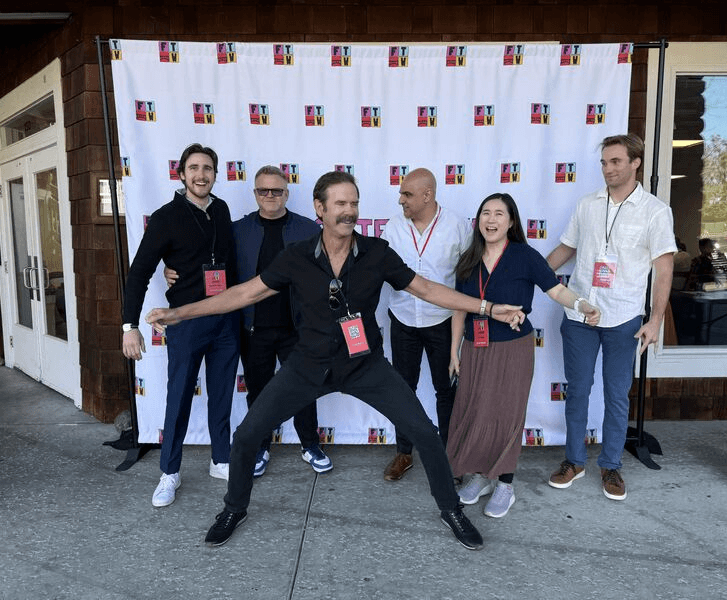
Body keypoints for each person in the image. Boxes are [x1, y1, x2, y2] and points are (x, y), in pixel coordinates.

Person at [146, 171, 527, 551]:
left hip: (365, 366)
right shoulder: (296, 257)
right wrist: (181, 313)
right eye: (341, 204)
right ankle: (234, 508)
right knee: (246, 436)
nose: (349, 212)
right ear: (319, 208)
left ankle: (451, 510)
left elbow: (426, 289)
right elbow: (245, 294)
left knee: (425, 433)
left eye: (354, 203)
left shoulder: (376, 253)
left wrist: (487, 307)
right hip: (307, 366)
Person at [166, 166, 329, 477]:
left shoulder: (309, 230)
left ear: (287, 193)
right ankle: (261, 445)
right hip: (254, 330)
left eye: (276, 190)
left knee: (304, 389)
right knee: (259, 393)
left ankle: (310, 444)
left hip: (298, 328)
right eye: (263, 190)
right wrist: (170, 269)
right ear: (255, 194)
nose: (270, 196)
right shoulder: (237, 230)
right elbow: (208, 261)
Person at [447, 193, 600, 518]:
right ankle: (480, 476)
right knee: (476, 412)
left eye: (499, 214)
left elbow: (556, 289)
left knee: (505, 414)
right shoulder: (468, 259)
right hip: (475, 347)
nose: (491, 220)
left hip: (513, 349)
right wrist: (454, 351)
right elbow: (459, 309)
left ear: (511, 221)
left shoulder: (525, 256)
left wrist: (581, 305)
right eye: (485, 213)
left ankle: (505, 484)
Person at [546, 133, 676, 501]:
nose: (608, 169)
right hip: (580, 313)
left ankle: (611, 465)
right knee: (578, 392)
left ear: (636, 162)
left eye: (616, 161)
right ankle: (574, 461)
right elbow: (566, 248)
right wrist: (532, 272)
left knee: (617, 395)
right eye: (604, 162)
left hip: (624, 317)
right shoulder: (587, 204)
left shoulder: (655, 210)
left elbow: (663, 269)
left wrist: (655, 320)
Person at [121, 143, 240, 507]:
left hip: (225, 320)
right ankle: (169, 472)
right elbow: (140, 271)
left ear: (215, 174)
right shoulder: (165, 217)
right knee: (179, 398)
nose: (200, 174)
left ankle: (221, 460)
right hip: (186, 322)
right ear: (182, 174)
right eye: (193, 168)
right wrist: (129, 325)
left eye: (207, 168)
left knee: (222, 395)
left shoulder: (221, 209)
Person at [380, 168, 472, 481]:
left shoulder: (458, 226)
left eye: (407, 194)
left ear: (427, 195)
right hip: (402, 319)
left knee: (446, 391)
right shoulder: (393, 226)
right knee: (402, 390)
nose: (400, 199)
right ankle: (403, 453)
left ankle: (450, 457)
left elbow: (467, 277)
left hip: (443, 322)